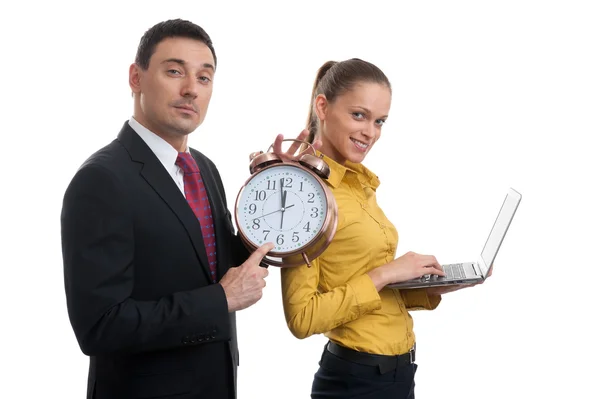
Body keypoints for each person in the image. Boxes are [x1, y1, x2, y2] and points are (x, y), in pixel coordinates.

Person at [60, 19, 305, 399]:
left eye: (204, 78)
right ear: (135, 78)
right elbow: (100, 326)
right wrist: (220, 301)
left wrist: (279, 187)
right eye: (174, 71)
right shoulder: (101, 180)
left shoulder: (204, 168)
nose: (190, 89)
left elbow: (219, 262)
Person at [280, 58, 486, 399]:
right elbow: (302, 317)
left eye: (380, 121)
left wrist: (434, 286)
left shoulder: (356, 182)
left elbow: (364, 283)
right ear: (323, 106)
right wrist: (387, 273)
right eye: (359, 115)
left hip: (396, 375)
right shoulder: (305, 195)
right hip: (356, 382)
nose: (370, 132)